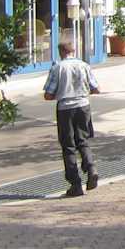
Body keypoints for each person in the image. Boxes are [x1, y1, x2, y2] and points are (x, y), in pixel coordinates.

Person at [43, 41, 100, 197]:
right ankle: (91, 168)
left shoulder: (57, 67)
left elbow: (48, 94)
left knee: (68, 145)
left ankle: (75, 183)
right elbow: (96, 89)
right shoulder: (84, 65)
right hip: (83, 105)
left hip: (65, 108)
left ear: (61, 51)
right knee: (83, 140)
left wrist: (61, 92)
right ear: (73, 51)